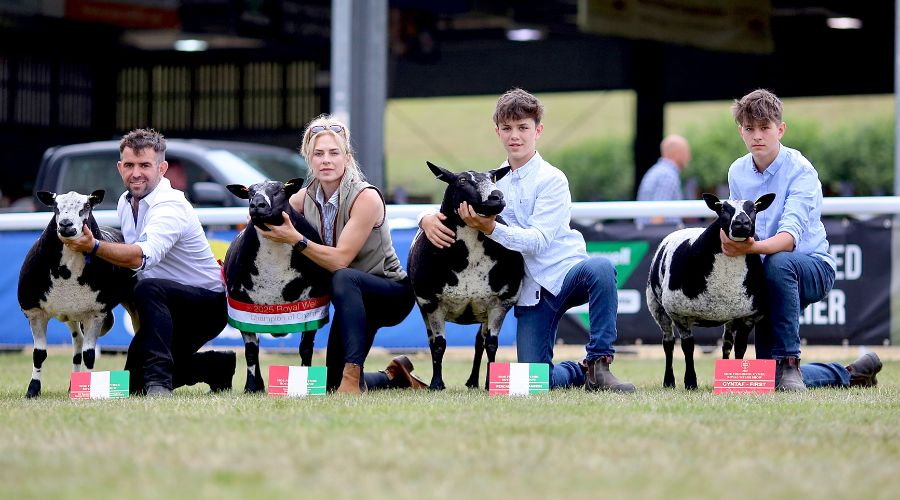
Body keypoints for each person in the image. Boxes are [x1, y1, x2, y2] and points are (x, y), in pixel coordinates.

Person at [420, 88, 635, 392]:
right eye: (507, 128)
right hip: (530, 291)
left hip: (566, 273)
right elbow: (455, 199)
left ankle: (600, 363)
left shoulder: (553, 179)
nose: (515, 136)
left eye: (523, 127)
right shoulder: (491, 182)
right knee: (532, 382)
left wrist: (490, 228)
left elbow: (538, 241)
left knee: (600, 268)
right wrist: (425, 218)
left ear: (538, 130)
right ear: (497, 132)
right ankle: (580, 371)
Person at [723, 89, 884, 390]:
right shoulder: (737, 171)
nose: (757, 135)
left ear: (781, 130)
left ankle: (790, 361)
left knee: (778, 261)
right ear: (740, 131)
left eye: (765, 127)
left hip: (812, 267)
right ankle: (851, 373)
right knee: (766, 379)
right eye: (749, 128)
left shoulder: (801, 170)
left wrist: (749, 247)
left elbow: (788, 239)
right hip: (766, 271)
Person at [259, 114, 427, 394]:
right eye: (318, 154)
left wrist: (294, 238)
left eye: (334, 153)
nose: (326, 160)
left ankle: (353, 377)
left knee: (343, 276)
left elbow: (340, 260)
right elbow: (267, 216)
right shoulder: (303, 197)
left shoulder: (366, 197)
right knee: (332, 383)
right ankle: (394, 376)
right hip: (351, 296)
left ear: (347, 158)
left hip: (390, 293)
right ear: (308, 159)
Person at [65, 128, 236, 397]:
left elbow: (139, 257)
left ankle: (160, 384)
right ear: (120, 168)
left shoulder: (171, 204)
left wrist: (93, 246)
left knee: (148, 288)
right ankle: (216, 366)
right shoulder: (124, 202)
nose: (136, 173)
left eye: (145, 165)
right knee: (133, 385)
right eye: (129, 165)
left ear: (162, 168)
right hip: (163, 308)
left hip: (205, 307)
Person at [635, 134, 691, 226]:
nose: (689, 157)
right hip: (662, 232)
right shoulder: (667, 175)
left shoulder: (658, 170)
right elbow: (658, 216)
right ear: (676, 153)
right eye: (687, 152)